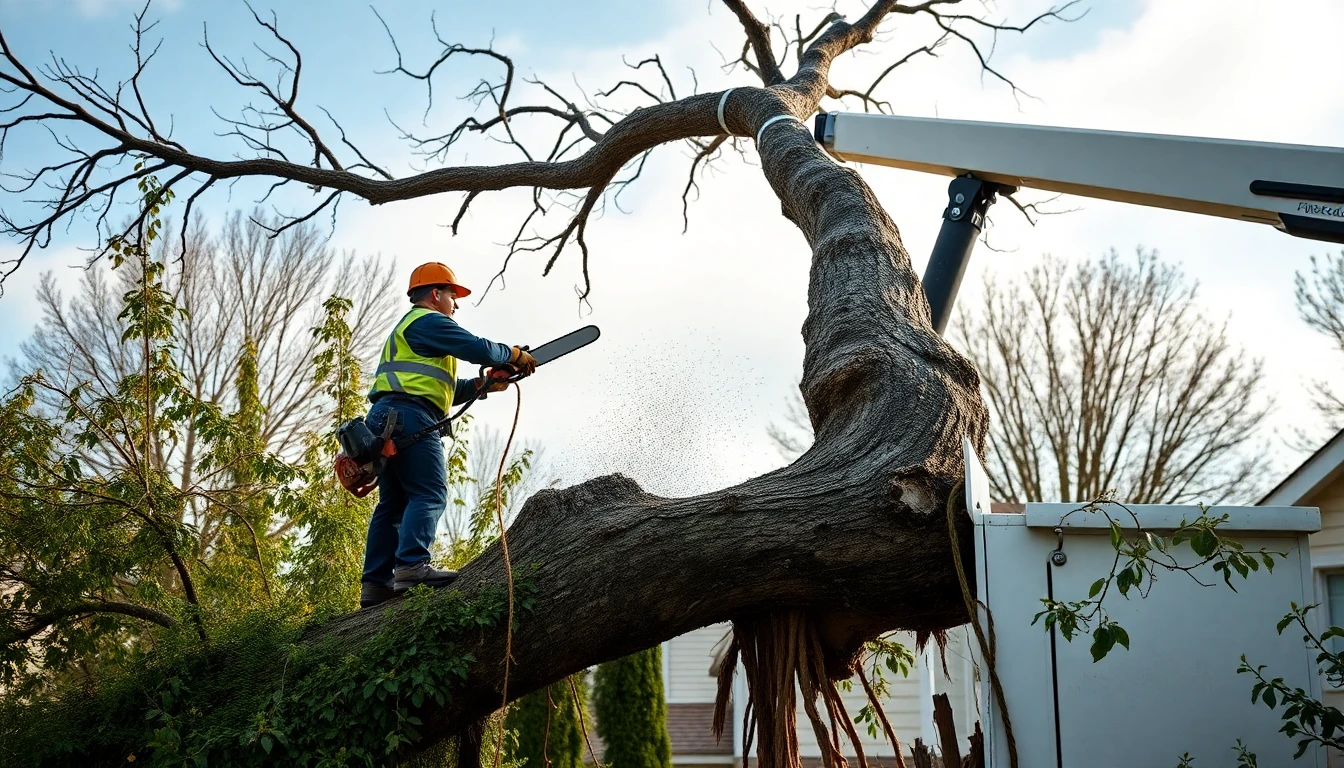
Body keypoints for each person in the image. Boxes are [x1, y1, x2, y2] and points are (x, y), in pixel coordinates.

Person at [359, 262, 536, 608]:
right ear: (436, 294)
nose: (456, 305)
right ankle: (411, 566)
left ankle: (376, 584)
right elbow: (477, 348)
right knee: (431, 492)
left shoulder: (415, 331)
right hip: (409, 416)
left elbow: (442, 388)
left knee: (393, 504)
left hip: (389, 415)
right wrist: (512, 354)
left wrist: (484, 385)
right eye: (453, 296)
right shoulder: (428, 321)